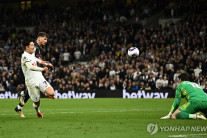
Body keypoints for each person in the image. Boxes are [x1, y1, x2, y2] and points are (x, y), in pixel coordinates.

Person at [15, 37, 54, 118]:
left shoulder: (33, 51)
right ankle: (36, 110)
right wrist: (42, 69)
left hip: (39, 77)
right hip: (31, 81)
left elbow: (35, 58)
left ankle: (23, 96)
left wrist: (43, 62)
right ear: (27, 47)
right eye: (45, 39)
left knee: (52, 93)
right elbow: (30, 67)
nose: (34, 47)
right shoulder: (24, 56)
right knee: (36, 102)